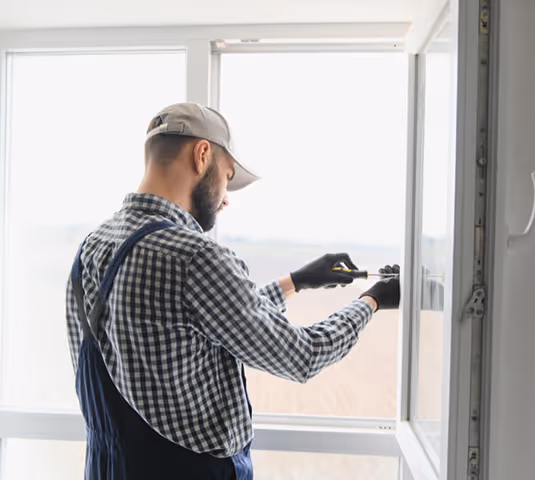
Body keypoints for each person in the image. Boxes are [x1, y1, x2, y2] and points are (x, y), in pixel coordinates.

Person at [66, 103, 401, 480]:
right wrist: (372, 300)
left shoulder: (92, 248)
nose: (225, 198)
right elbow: (302, 356)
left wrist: (296, 281)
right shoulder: (194, 256)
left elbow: (199, 324)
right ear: (202, 154)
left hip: (107, 468)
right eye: (226, 178)